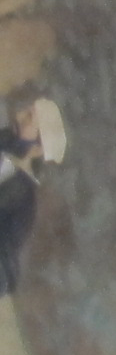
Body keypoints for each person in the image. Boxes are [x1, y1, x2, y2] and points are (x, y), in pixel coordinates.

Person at [0, 99, 62, 301]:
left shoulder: (24, 199)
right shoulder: (4, 148)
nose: (19, 116)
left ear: (39, 148)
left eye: (29, 118)